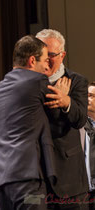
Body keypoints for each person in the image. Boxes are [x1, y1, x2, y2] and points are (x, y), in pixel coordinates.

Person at [0, 35, 57, 210]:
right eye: (45, 60)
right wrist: (65, 97)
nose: (48, 66)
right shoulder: (38, 81)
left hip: (1, 182)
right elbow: (58, 110)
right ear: (32, 60)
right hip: (27, 181)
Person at [36, 29, 89, 209]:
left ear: (62, 55)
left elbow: (81, 119)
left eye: (52, 54)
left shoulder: (77, 81)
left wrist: (66, 101)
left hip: (69, 179)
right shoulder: (27, 83)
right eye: (41, 54)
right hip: (35, 179)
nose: (47, 59)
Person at [80, 81, 95, 209]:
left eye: (91, 95)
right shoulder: (78, 125)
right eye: (87, 95)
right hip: (84, 191)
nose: (87, 99)